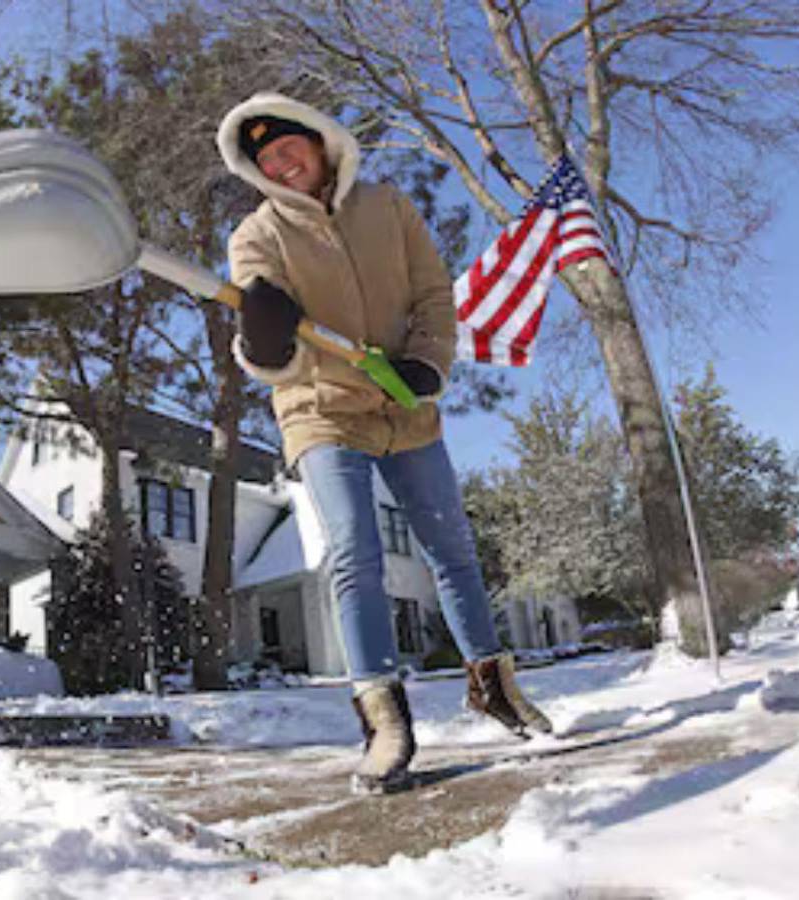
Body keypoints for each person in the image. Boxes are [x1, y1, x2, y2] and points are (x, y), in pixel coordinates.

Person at [216, 93, 551, 794]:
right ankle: (384, 721)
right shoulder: (258, 234)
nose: (282, 162)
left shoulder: (388, 207)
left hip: (404, 401)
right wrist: (264, 331)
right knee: (354, 553)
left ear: (318, 142)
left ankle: (493, 684)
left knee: (452, 550)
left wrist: (428, 363)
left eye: (289, 147)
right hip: (322, 409)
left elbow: (433, 293)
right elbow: (259, 332)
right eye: (267, 158)